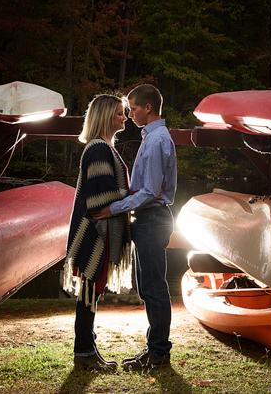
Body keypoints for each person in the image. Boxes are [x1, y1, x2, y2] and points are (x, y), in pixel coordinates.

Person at [90, 83, 177, 370]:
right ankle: (154, 348)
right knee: (149, 287)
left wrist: (112, 208)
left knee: (153, 287)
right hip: (150, 219)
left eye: (134, 109)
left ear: (148, 108)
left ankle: (159, 353)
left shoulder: (155, 141)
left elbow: (150, 191)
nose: (131, 114)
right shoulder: (154, 138)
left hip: (152, 219)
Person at [64, 94, 134, 371]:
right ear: (106, 117)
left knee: (91, 292)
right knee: (89, 291)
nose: (124, 118)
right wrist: (135, 194)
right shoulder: (98, 149)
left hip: (100, 230)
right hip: (95, 232)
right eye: (119, 113)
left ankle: (87, 349)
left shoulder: (104, 148)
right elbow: (100, 197)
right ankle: (83, 352)